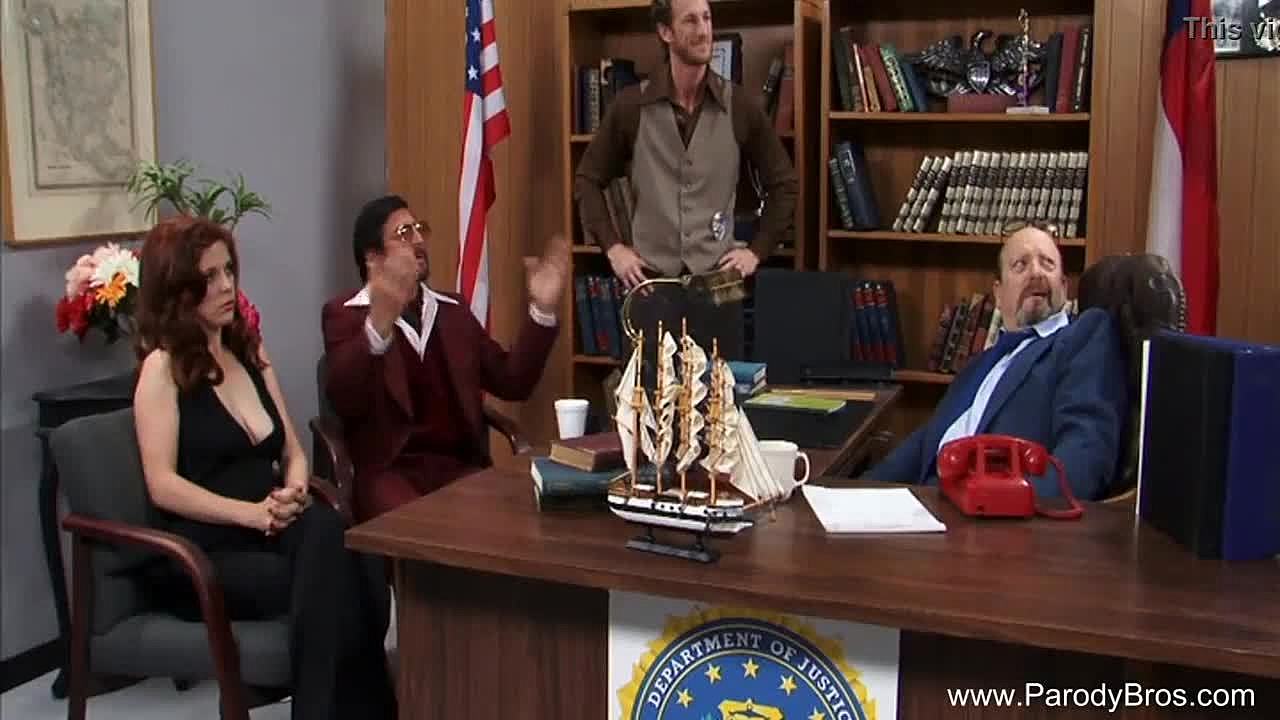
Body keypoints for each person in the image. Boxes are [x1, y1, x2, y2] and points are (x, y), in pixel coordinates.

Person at [132, 216, 395, 720]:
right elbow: (162, 485)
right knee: (337, 570)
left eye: (229, 270)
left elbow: (292, 450)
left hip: (272, 526)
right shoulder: (161, 369)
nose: (226, 286)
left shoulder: (249, 351)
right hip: (206, 546)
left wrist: (294, 490)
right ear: (178, 290)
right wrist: (250, 514)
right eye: (209, 277)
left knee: (349, 546)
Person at [573, 0, 798, 359]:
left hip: (721, 283)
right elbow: (587, 178)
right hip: (651, 283)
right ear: (666, 32)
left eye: (706, 18)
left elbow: (784, 183)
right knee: (649, 389)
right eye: (690, 20)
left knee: (722, 390)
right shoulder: (632, 106)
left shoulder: (739, 105)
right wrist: (614, 249)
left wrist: (757, 251)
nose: (704, 30)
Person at [321, 194, 567, 521]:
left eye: (419, 229)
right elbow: (344, 398)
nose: (418, 240)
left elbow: (512, 381)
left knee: (509, 518)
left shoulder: (454, 311)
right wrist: (377, 328)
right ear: (373, 258)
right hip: (389, 472)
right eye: (404, 233)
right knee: (419, 525)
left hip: (458, 468)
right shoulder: (345, 314)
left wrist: (542, 312)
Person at [867, 221, 1129, 501]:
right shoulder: (979, 364)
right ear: (999, 294)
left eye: (1048, 264)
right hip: (927, 503)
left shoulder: (1083, 336)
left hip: (993, 513)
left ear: (1063, 287)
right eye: (1020, 265)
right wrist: (856, 493)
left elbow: (1086, 454)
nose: (1036, 272)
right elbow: (926, 441)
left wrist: (1006, 503)